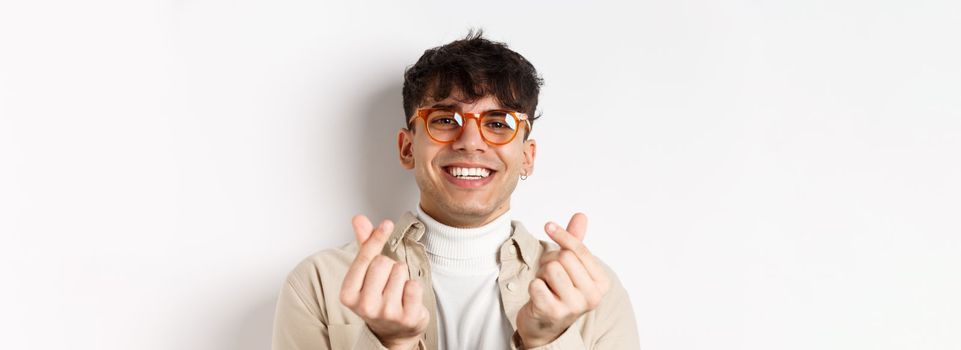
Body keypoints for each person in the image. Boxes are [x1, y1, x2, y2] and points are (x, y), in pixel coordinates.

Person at [271, 30, 640, 350]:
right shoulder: (320, 283)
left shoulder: (591, 291)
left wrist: (549, 340)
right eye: (445, 120)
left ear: (527, 157)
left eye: (498, 123)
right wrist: (389, 343)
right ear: (407, 148)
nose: (470, 141)